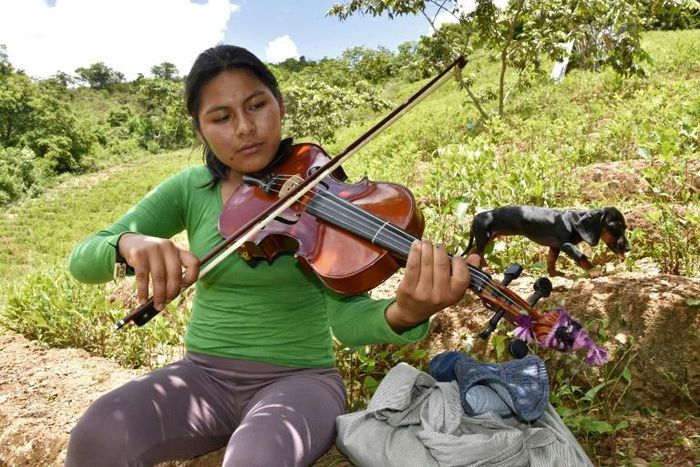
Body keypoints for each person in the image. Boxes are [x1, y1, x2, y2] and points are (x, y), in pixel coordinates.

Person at [65, 44, 476, 467]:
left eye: (257, 105)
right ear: (200, 129)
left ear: (279, 104)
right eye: (221, 117)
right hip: (201, 378)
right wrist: (128, 244)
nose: (245, 127)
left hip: (301, 383)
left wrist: (405, 312)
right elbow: (83, 259)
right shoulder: (191, 189)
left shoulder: (315, 191)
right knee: (97, 433)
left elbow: (346, 322)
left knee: (254, 459)